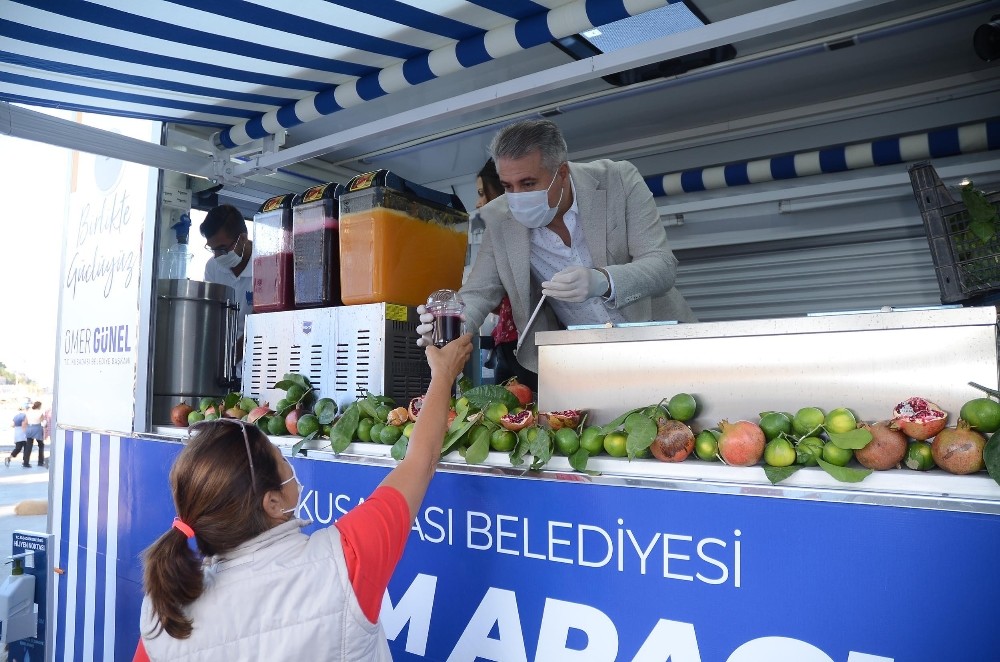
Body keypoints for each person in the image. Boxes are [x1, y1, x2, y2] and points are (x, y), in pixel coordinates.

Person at [134, 334, 472, 661]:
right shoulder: (344, 561)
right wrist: (443, 374)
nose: (289, 465)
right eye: (282, 461)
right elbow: (420, 461)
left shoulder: (162, 614)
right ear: (272, 503)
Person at [418, 119, 696, 375]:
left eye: (528, 183)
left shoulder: (618, 180)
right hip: (585, 360)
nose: (517, 198)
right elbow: (479, 292)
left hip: (663, 342)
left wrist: (604, 281)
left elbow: (662, 265)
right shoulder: (500, 218)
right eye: (507, 186)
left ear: (561, 172)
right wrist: (455, 324)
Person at [476, 159, 538, 392]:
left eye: (483, 193)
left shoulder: (525, 235)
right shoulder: (497, 237)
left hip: (524, 342)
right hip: (504, 342)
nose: (478, 202)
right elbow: (498, 299)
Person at [200, 204, 254, 377]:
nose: (217, 256)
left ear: (243, 239)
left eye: (222, 248)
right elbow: (212, 318)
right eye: (213, 249)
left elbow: (259, 323)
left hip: (257, 361)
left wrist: (227, 360)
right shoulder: (213, 267)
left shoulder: (267, 263)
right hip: (224, 363)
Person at [22, 401, 46, 468]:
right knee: (41, 445)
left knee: (28, 446)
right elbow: (43, 421)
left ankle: (26, 462)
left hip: (29, 428)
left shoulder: (28, 412)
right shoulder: (40, 412)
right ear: (39, 406)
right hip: (37, 428)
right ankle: (40, 462)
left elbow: (25, 421)